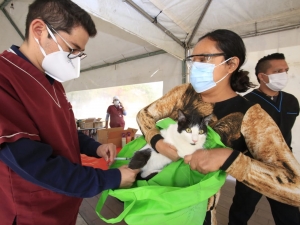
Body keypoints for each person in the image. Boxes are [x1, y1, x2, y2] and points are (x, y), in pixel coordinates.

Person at [136, 29, 300, 225]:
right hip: (153, 192)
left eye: (204, 59)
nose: (195, 66)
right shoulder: (183, 94)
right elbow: (144, 115)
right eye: (193, 60)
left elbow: (294, 187)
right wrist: (157, 141)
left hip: (195, 208)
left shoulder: (251, 116)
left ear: (231, 64)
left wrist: (230, 159)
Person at [0, 1, 139, 224]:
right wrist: (110, 178)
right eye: (72, 49)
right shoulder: (5, 78)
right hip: (33, 212)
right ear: (39, 30)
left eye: (79, 53)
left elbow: (66, 131)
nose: (74, 59)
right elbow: (33, 163)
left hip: (64, 204)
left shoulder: (53, 82)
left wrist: (96, 147)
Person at [228, 53, 300, 225]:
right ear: (262, 76)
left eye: (286, 70)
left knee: (289, 215)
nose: (284, 74)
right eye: (278, 71)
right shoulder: (246, 103)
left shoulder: (291, 101)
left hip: (282, 167)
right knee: (241, 210)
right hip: (252, 165)